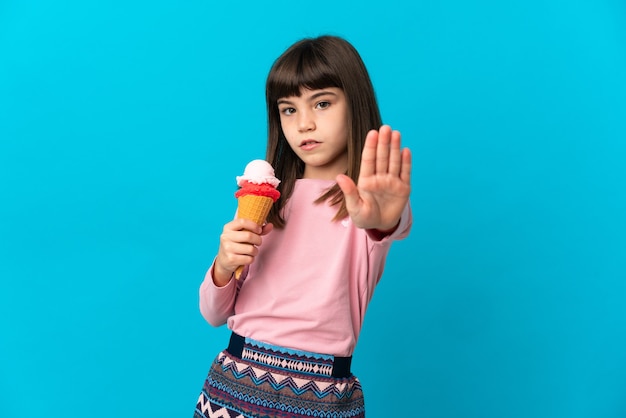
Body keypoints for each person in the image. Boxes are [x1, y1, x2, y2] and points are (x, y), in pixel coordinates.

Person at [194, 35, 412, 418]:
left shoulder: (368, 205)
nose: (304, 123)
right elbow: (213, 315)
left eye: (323, 103)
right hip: (234, 382)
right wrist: (224, 267)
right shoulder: (268, 202)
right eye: (288, 109)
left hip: (320, 394)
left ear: (355, 104)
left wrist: (382, 219)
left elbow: (387, 222)